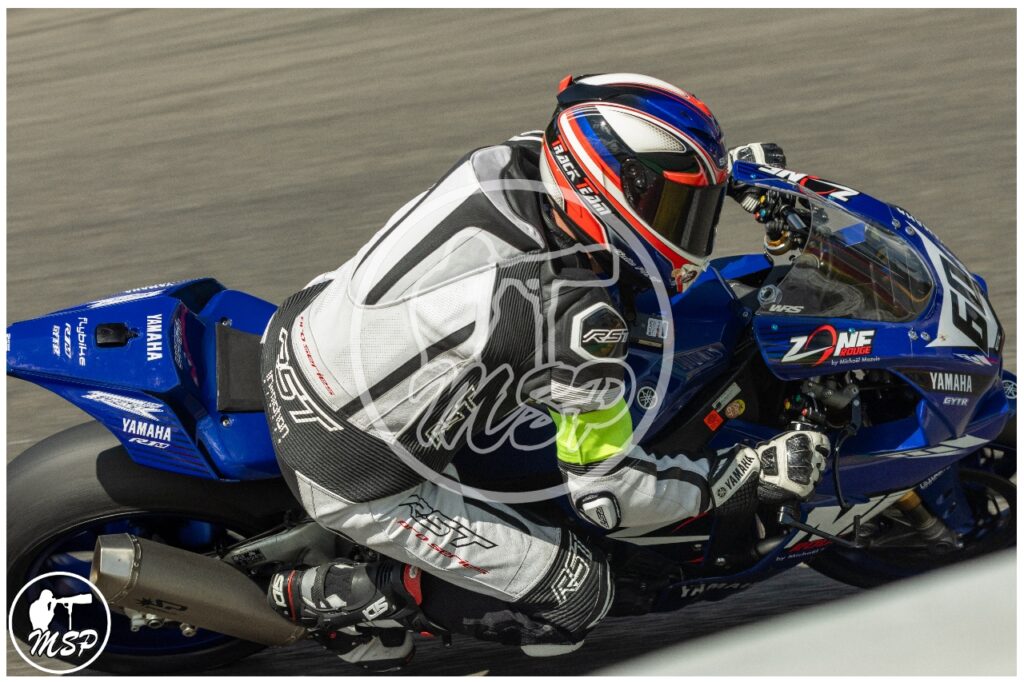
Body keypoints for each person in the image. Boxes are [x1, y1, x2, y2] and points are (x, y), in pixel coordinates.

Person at [260, 73, 827, 670]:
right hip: (352, 464)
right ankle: (353, 593)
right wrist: (732, 478)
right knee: (576, 599)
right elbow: (611, 496)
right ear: (608, 192)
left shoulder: (517, 161)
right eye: (675, 209)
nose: (690, 230)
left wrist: (724, 178)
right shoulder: (574, 317)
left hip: (307, 330)